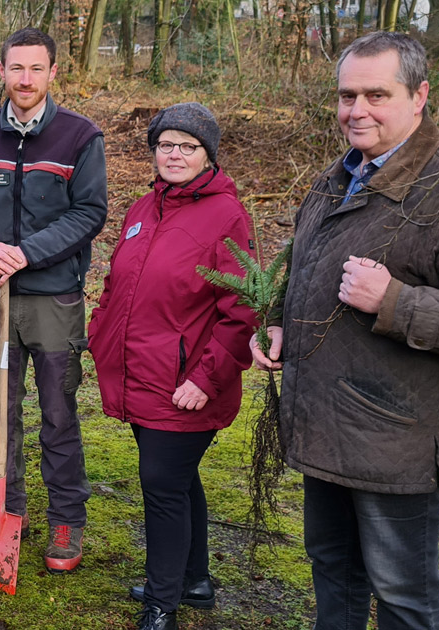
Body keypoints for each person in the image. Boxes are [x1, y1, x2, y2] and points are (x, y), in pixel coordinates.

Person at [251, 32, 439, 630]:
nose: (357, 110)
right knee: (334, 571)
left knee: (403, 594)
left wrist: (394, 301)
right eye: (347, 95)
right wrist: (277, 325)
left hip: (395, 435)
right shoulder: (339, 175)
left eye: (377, 94)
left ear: (420, 95)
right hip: (325, 421)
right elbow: (302, 267)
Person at [0, 27, 107, 573]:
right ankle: (4, 508)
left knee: (57, 412)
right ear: (3, 71)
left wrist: (25, 253)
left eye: (36, 69)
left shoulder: (80, 137)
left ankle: (66, 518)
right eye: (17, 68)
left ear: (54, 72)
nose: (26, 79)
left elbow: (89, 212)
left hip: (52, 299)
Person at [88, 103, 256, 630]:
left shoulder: (227, 215)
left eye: (188, 146)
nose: (175, 154)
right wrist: (99, 333)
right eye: (166, 145)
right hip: (140, 370)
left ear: (208, 155)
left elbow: (241, 309)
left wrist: (205, 380)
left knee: (162, 484)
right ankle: (194, 579)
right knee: (178, 482)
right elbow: (119, 284)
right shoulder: (142, 208)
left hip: (186, 382)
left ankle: (162, 601)